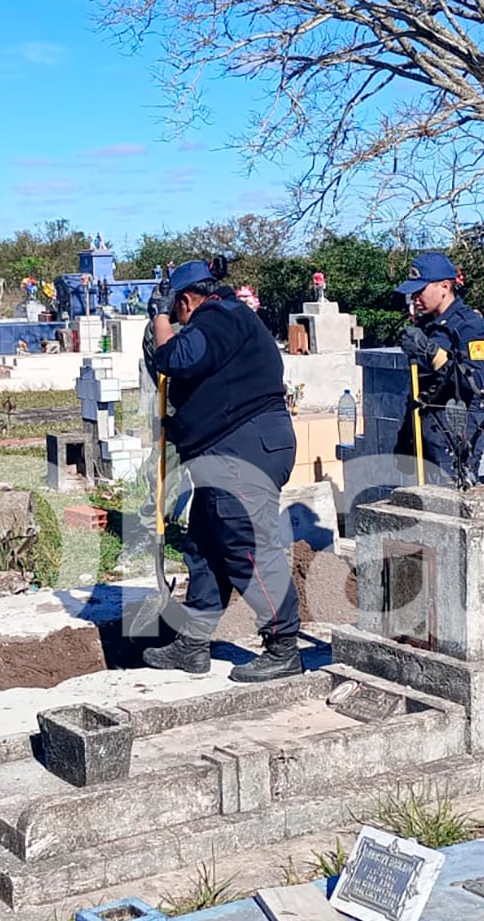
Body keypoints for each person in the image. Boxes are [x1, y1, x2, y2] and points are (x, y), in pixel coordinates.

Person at [140, 259, 302, 683]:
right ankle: (193, 645)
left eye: (176, 312)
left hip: (243, 449)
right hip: (229, 449)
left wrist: (159, 319)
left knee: (246, 546)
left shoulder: (219, 316)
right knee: (205, 547)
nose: (175, 320)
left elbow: (177, 356)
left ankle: (283, 646)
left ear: (187, 301)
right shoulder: (226, 320)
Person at [390, 252, 484, 485]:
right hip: (425, 431)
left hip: (454, 434)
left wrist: (430, 352)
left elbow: (471, 381)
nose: (414, 298)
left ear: (444, 286)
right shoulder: (429, 325)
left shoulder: (470, 326)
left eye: (420, 290)